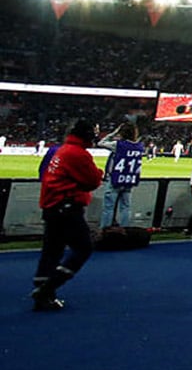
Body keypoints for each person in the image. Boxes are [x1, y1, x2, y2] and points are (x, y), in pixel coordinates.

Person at [31, 118, 104, 312]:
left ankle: (42, 293)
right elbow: (92, 181)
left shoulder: (63, 150)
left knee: (52, 251)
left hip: (52, 206)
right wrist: (99, 172)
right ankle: (48, 288)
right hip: (67, 207)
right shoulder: (78, 154)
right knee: (83, 248)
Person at [97, 120, 146, 228]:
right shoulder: (140, 147)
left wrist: (114, 133)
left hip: (115, 179)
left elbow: (100, 143)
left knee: (108, 208)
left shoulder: (118, 145)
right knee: (125, 207)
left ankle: (105, 231)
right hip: (129, 180)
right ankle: (125, 230)